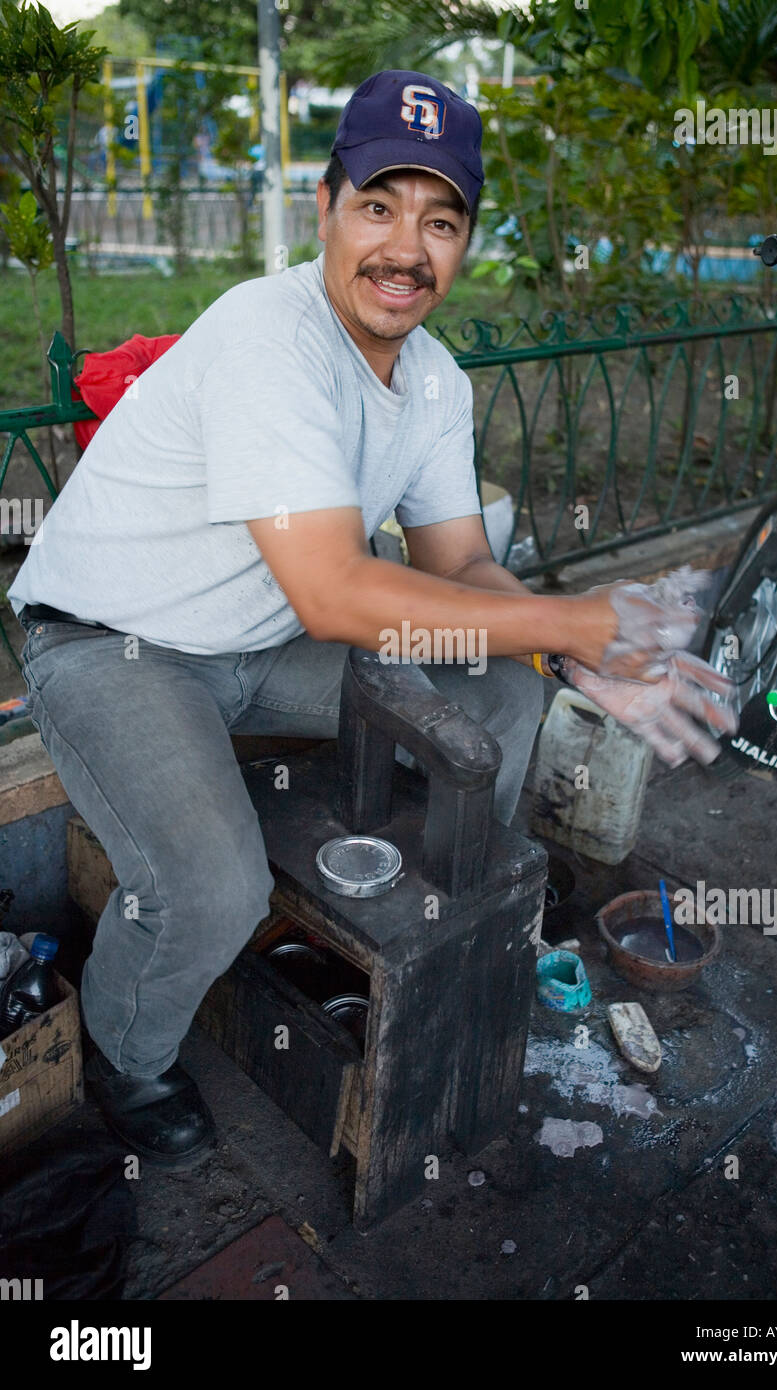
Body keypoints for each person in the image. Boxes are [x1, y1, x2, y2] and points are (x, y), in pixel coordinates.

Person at [8, 69, 735, 1165]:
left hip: (261, 638)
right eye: (379, 207)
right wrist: (578, 616)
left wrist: (577, 653)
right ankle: (128, 1053)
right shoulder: (270, 333)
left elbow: (461, 566)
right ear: (325, 210)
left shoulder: (435, 379)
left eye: (439, 221)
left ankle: (403, 922)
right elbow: (338, 592)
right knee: (210, 885)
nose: (406, 248)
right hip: (116, 645)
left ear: (465, 242)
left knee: (499, 690)